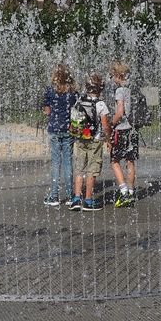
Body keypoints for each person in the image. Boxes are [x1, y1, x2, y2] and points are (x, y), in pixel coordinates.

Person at [67, 73, 110, 212]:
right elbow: (105, 126)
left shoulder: (79, 100)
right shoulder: (101, 104)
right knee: (91, 170)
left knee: (79, 169)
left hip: (80, 139)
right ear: (100, 88)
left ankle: (76, 199)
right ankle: (88, 200)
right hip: (95, 141)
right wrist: (108, 139)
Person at [42, 64, 77, 206]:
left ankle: (54, 196)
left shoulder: (49, 91)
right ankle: (70, 196)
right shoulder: (73, 92)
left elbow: (47, 111)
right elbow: (76, 109)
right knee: (68, 162)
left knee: (56, 163)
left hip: (54, 129)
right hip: (68, 130)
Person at [108, 61, 139, 207]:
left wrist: (111, 124)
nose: (112, 78)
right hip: (132, 130)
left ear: (118, 75)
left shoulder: (120, 90)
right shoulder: (131, 89)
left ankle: (124, 191)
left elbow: (120, 112)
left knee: (114, 161)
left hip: (121, 130)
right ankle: (132, 193)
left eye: (112, 75)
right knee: (130, 161)